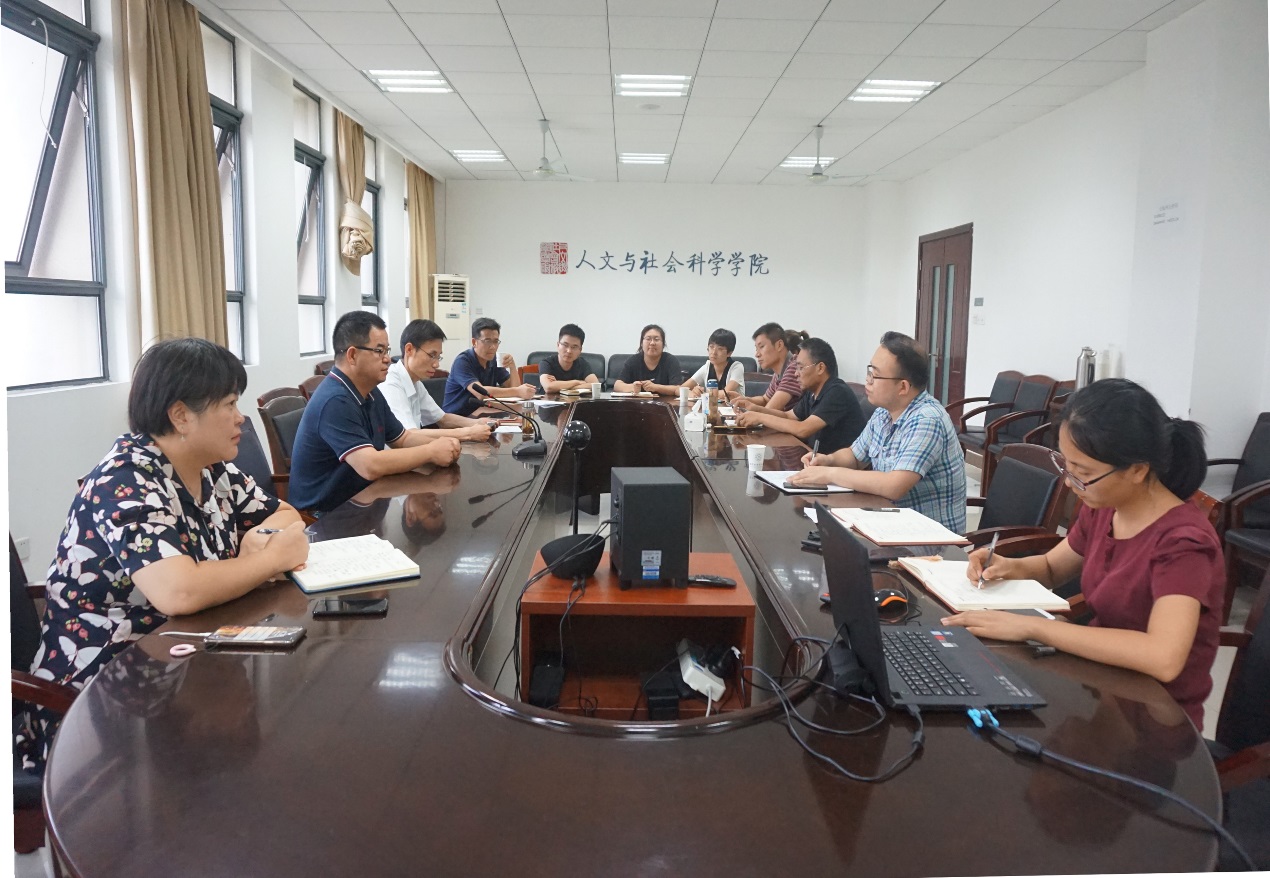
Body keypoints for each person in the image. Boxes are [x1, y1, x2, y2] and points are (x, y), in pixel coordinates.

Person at [19, 338, 310, 767]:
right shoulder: (125, 479)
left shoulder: (212, 469)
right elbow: (179, 592)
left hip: (184, 652)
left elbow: (286, 516)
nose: (241, 417)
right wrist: (267, 558)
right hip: (104, 689)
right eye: (229, 404)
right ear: (181, 415)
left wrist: (261, 536)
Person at [942, 378, 1224, 731]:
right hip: (1099, 686)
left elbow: (1163, 657)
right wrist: (1007, 566)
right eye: (1068, 468)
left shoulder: (1184, 543)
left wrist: (1035, 627)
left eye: (1084, 474)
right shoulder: (1106, 506)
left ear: (1138, 470)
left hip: (1154, 719)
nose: (1070, 483)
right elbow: (1051, 567)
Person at [788, 331, 966, 531]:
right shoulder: (884, 412)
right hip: (888, 520)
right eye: (869, 371)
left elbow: (893, 486)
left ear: (903, 387)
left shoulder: (927, 419)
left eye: (875, 375)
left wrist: (830, 474)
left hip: (927, 536)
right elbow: (855, 456)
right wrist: (828, 460)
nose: (868, 380)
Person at [289, 311, 461, 513]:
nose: (387, 359)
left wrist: (448, 442)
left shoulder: (371, 392)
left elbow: (402, 439)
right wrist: (431, 451)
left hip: (363, 498)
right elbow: (369, 465)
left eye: (387, 350)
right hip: (325, 513)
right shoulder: (335, 400)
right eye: (379, 351)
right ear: (352, 355)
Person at [734, 337, 865, 454]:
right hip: (814, 459)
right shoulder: (812, 392)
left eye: (800, 368)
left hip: (839, 467)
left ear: (820, 368)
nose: (796, 374)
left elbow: (803, 429)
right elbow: (788, 416)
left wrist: (760, 417)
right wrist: (754, 409)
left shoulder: (837, 392)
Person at [381, 318, 492, 442]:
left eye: (438, 357)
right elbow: (409, 434)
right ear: (409, 350)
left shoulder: (415, 382)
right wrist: (468, 433)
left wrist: (477, 423)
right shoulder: (390, 382)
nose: (436, 364)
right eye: (432, 355)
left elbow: (442, 419)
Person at [444, 317, 534, 416]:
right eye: (487, 341)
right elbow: (481, 393)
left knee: (520, 412)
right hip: (458, 416)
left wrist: (512, 367)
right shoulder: (462, 361)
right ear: (474, 342)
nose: (493, 347)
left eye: (496, 341)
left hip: (482, 413)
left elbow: (514, 389)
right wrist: (518, 391)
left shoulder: (494, 359)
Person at [738, 323, 807, 411]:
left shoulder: (794, 368)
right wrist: (742, 400)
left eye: (761, 347)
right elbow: (765, 400)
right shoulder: (780, 370)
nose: (757, 354)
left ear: (779, 345)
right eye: (756, 349)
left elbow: (769, 411)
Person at [612, 324, 683, 395]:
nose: (652, 343)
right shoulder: (633, 361)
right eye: (648, 339)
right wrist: (632, 387)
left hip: (665, 401)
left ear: (663, 344)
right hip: (638, 401)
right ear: (641, 343)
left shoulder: (671, 361)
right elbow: (617, 385)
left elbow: (677, 388)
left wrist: (656, 387)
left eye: (656, 339)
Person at [537, 323, 600, 393]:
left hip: (574, 400)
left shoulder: (582, 364)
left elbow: (596, 385)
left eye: (574, 347)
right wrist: (577, 382)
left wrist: (558, 386)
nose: (569, 351)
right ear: (558, 345)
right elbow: (549, 387)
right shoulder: (546, 363)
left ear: (580, 350)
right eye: (565, 345)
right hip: (549, 400)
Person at [683, 328, 745, 399]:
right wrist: (693, 392)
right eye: (711, 347)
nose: (713, 352)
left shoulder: (737, 367)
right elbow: (683, 388)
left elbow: (726, 393)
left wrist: (703, 393)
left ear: (729, 353)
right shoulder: (707, 367)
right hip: (711, 405)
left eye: (720, 349)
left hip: (734, 406)